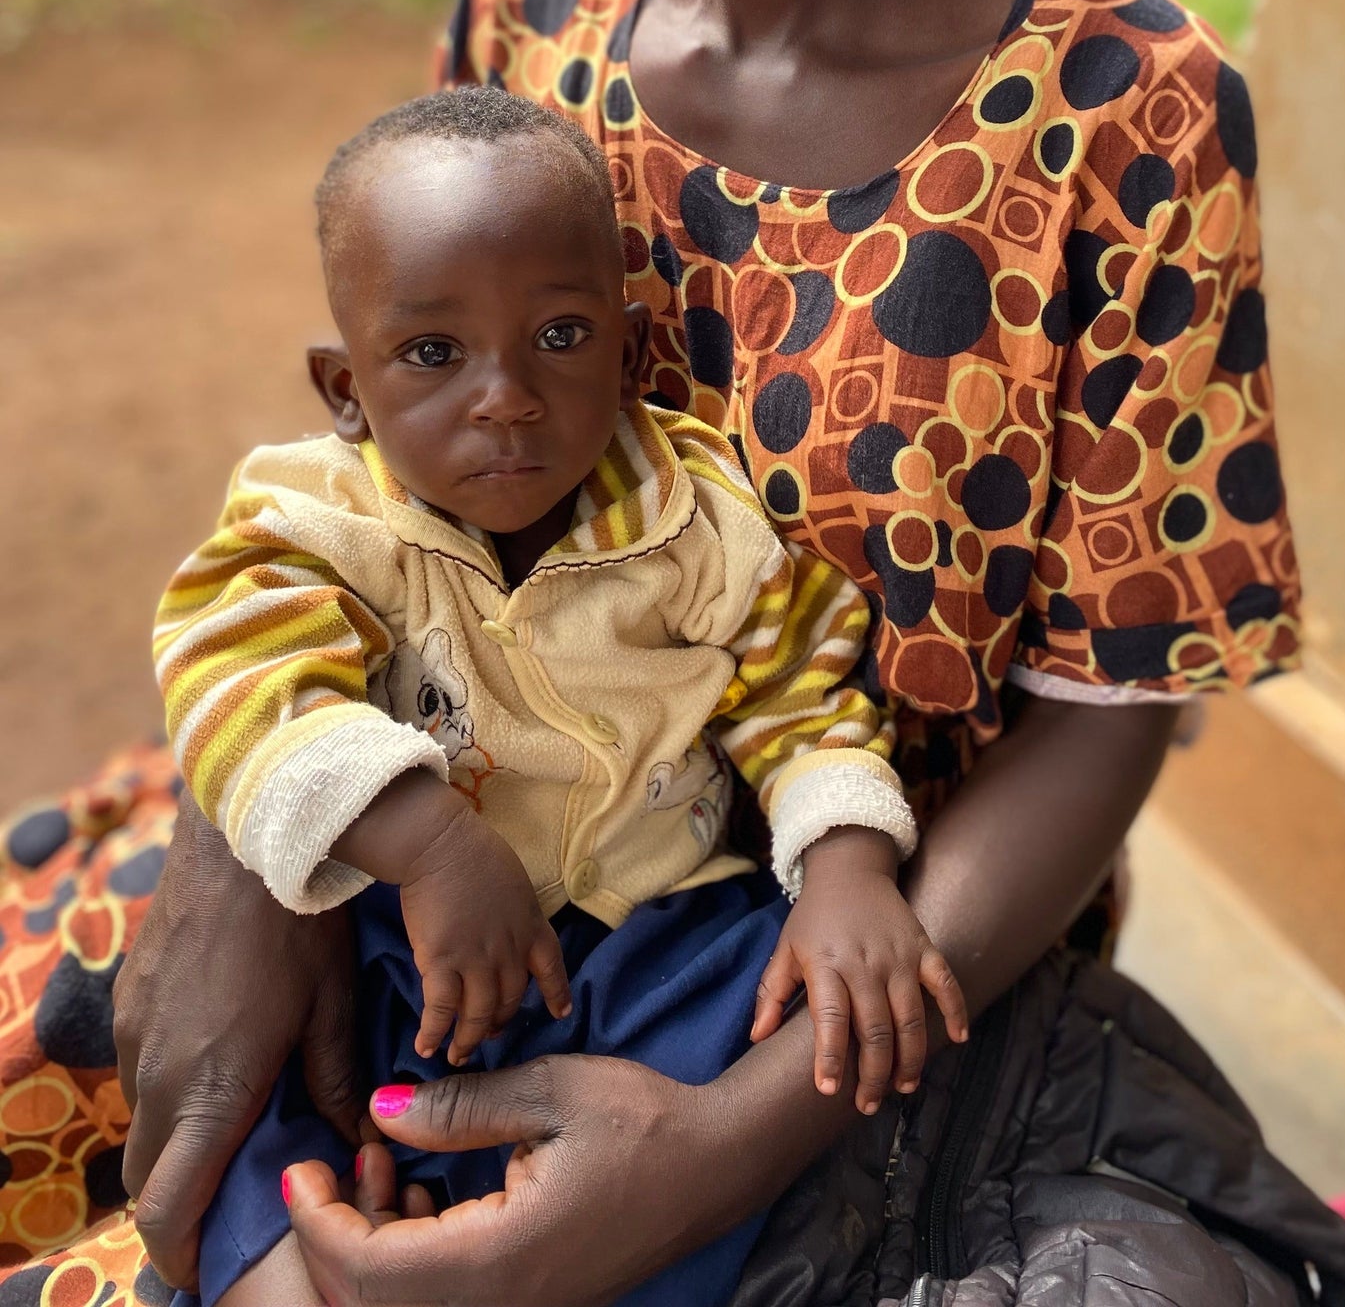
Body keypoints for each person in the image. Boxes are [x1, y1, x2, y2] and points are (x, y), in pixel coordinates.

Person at [0, 0, 1305, 1307]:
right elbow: (386, 443)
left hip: (840, 979)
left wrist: (720, 1147)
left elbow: (1105, 699)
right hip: (428, 847)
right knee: (117, 1103)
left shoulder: (1127, 104)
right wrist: (261, 855)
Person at [157, 85, 961, 1307]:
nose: (507, 395)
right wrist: (424, 844)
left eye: (560, 336)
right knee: (273, 1103)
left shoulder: (698, 514)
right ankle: (292, 1267)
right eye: (432, 353)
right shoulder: (316, 524)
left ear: (632, 352)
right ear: (343, 387)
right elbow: (236, 678)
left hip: (660, 934)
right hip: (405, 950)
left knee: (801, 1032)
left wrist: (847, 863)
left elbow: (800, 694)